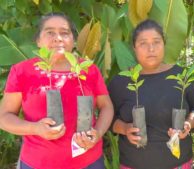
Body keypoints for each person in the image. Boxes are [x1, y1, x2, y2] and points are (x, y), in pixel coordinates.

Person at [0, 12, 114, 169]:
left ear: (73, 41)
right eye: (50, 32)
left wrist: (98, 133)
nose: (58, 38)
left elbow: (106, 106)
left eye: (64, 33)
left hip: (89, 162)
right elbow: (4, 117)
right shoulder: (21, 71)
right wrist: (35, 128)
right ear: (38, 41)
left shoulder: (89, 70)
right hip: (37, 163)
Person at [108, 19, 194, 169]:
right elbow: (108, 118)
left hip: (178, 163)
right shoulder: (121, 82)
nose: (151, 48)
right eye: (143, 43)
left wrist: (188, 124)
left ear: (164, 44)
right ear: (134, 48)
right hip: (133, 164)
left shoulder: (182, 77)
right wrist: (125, 128)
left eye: (156, 42)